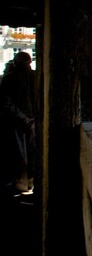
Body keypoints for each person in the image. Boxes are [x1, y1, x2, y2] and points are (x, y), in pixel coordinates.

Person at [1, 52, 36, 194]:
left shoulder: (9, 79)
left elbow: (6, 102)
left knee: (19, 154)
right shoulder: (36, 77)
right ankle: (31, 182)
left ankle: (21, 183)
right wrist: (33, 120)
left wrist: (23, 118)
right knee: (33, 153)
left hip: (16, 121)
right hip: (34, 122)